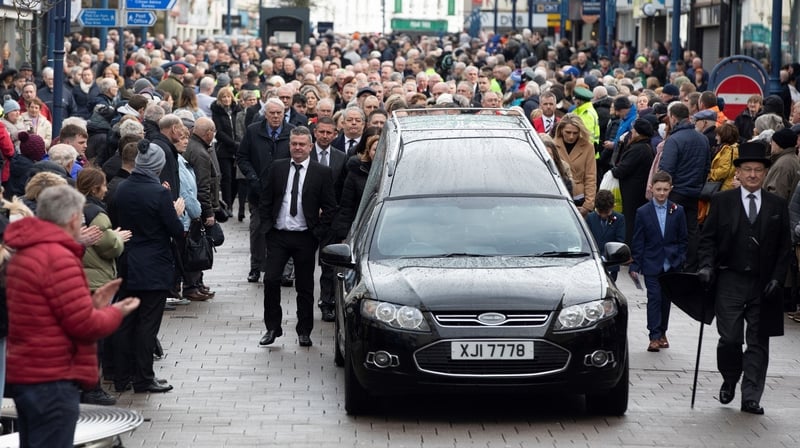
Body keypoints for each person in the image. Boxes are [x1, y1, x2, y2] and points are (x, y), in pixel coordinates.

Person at [5, 185, 139, 447]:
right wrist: (114, 312)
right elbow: (83, 325)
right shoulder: (58, 257)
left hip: (27, 372)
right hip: (52, 376)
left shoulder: (25, 252)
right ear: (73, 218)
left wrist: (93, 304)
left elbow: (50, 311)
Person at [697, 142, 792, 415]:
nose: (752, 175)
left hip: (763, 285)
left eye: (758, 170)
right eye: (747, 169)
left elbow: (784, 247)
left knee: (758, 342)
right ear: (737, 173)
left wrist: (777, 278)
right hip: (730, 280)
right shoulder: (722, 202)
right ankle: (729, 376)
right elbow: (707, 240)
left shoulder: (777, 205)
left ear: (765, 173)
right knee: (730, 338)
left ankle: (751, 395)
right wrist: (705, 267)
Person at [110, 139, 185, 394]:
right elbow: (175, 231)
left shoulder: (122, 188)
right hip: (153, 265)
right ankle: (143, 378)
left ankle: (122, 377)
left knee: (127, 321)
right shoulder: (160, 194)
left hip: (129, 263)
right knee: (147, 324)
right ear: (157, 166)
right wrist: (175, 211)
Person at [257, 126, 337, 348]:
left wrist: (318, 232)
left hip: (305, 236)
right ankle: (272, 327)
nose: (298, 148)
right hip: (279, 235)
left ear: (310, 147)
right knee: (271, 279)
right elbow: (265, 200)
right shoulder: (277, 168)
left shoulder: (322, 173)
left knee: (305, 286)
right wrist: (267, 228)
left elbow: (330, 207)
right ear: (289, 145)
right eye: (294, 144)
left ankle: (304, 330)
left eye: (302, 144)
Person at [76, 167, 132, 405]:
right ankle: (93, 387)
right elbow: (110, 247)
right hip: (97, 280)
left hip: (82, 278)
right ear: (94, 188)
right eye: (103, 186)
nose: (107, 189)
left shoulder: (75, 208)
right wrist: (118, 238)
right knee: (95, 339)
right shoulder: (98, 214)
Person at [630, 170, 688, 352]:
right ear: (651, 189)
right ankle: (654, 335)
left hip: (670, 263)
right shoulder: (643, 212)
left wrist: (679, 258)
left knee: (665, 299)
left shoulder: (677, 211)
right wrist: (635, 263)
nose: (661, 193)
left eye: (665, 189)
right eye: (658, 189)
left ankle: (663, 332)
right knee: (654, 297)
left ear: (671, 189)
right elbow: (638, 240)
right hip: (651, 263)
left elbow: (683, 238)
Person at [238, 98, 292, 283]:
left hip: (285, 192)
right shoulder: (254, 131)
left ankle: (284, 270)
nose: (276, 116)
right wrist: (253, 178)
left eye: (279, 113)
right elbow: (243, 157)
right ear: (265, 114)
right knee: (258, 230)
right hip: (258, 191)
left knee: (285, 230)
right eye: (272, 113)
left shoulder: (291, 131)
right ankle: (256, 267)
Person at [658, 101, 710, 271]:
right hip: (694, 192)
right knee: (692, 231)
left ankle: (674, 264)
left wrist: (664, 191)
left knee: (672, 229)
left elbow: (666, 170)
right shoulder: (702, 138)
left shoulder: (674, 140)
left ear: (673, 118)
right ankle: (690, 265)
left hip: (677, 192)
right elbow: (706, 167)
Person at [611, 118, 656, 244]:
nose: (631, 132)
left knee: (630, 220)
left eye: (633, 130)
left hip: (633, 192)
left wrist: (613, 171)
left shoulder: (639, 149)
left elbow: (622, 170)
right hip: (637, 190)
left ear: (638, 133)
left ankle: (629, 248)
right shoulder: (645, 146)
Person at [554, 114, 597, 215]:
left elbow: (591, 177)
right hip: (558, 193)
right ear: (561, 130)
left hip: (579, 198)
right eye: (568, 132)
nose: (571, 136)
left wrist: (588, 205)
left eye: (575, 133)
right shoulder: (553, 145)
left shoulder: (588, 147)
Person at [585, 189, 626, 281]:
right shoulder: (590, 218)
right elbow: (586, 241)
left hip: (611, 265)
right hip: (593, 264)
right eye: (600, 212)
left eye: (606, 212)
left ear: (613, 207)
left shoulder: (619, 219)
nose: (603, 216)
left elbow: (619, 241)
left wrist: (605, 258)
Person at [762, 128, 800, 201]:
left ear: (779, 144)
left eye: (772, 141)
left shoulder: (784, 165)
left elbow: (777, 195)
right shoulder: (790, 159)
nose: (770, 144)